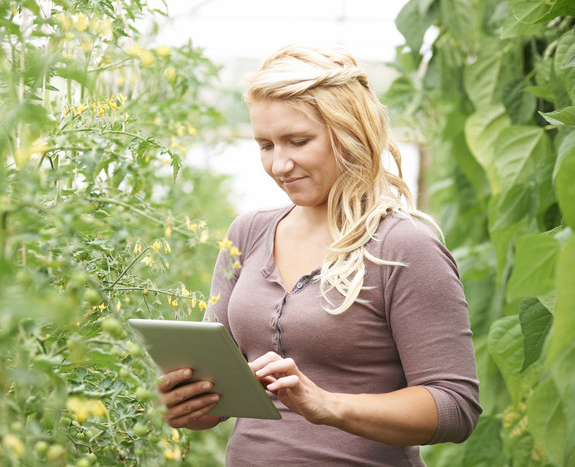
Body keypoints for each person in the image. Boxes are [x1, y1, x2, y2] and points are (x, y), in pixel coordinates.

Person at [157, 44, 481, 466]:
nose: (279, 165)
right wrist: (189, 403)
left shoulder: (404, 245)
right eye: (266, 145)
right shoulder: (249, 232)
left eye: (298, 141)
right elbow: (221, 397)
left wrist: (329, 405)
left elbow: (455, 406)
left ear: (349, 132)